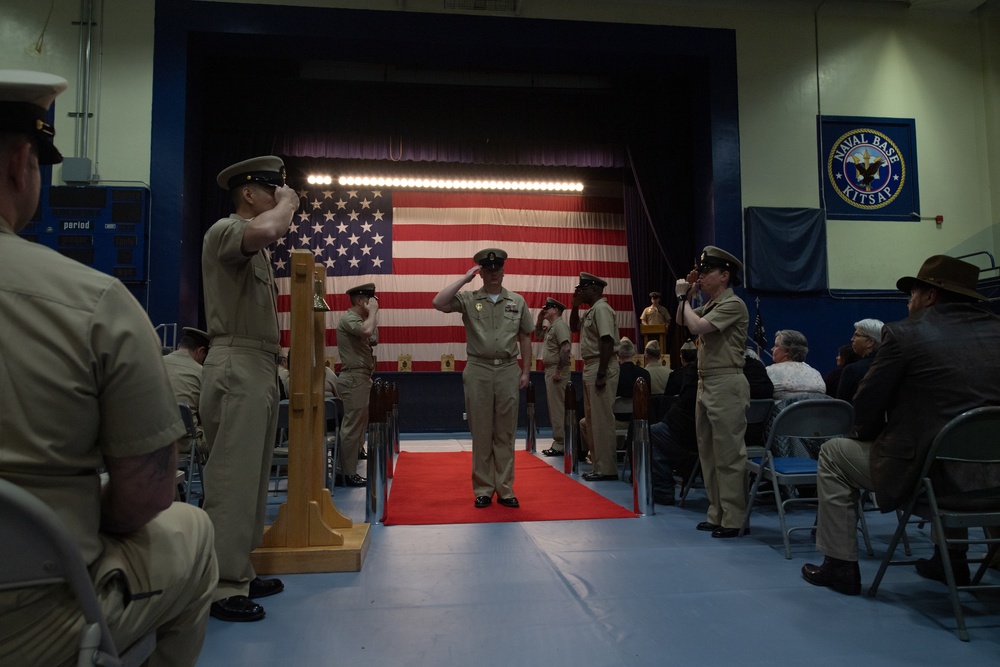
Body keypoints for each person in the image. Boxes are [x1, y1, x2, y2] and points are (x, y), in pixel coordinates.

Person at [0, 69, 217, 665]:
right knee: (191, 531)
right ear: (22, 163)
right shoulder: (94, 302)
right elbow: (146, 492)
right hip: (31, 615)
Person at [803, 255, 1000, 595]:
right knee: (953, 450)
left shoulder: (905, 335)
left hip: (928, 474)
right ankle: (950, 559)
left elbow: (866, 403)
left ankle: (839, 566)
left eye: (911, 293)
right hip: (994, 479)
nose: (909, 301)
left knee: (834, 454)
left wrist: (867, 435)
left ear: (931, 295)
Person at [200, 155, 297, 622]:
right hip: (236, 363)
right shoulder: (225, 231)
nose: (277, 197)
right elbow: (272, 229)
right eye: (270, 190)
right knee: (230, 480)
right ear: (248, 194)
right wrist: (291, 201)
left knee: (253, 477)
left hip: (257, 365)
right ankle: (219, 586)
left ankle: (240, 567)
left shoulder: (255, 252)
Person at [433, 248, 533, 508]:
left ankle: (506, 488)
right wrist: (464, 280)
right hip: (478, 369)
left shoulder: (517, 301)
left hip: (508, 369)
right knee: (481, 432)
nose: (493, 274)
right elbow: (439, 302)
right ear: (481, 273)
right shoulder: (468, 298)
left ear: (503, 271)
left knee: (505, 432)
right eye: (487, 270)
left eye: (497, 269)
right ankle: (484, 489)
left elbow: (525, 337)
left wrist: (526, 371)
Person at [675, 246, 750, 538]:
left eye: (708, 273)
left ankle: (734, 518)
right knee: (708, 451)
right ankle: (717, 512)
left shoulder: (734, 304)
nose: (702, 277)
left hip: (726, 382)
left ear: (725, 275)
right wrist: (690, 293)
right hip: (706, 381)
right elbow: (683, 319)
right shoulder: (714, 304)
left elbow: (696, 327)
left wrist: (684, 296)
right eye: (701, 273)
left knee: (729, 454)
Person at [571, 272, 620, 482]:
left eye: (583, 289)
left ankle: (607, 468)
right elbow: (574, 327)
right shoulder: (591, 311)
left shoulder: (601, 309)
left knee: (601, 420)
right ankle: (598, 464)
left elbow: (607, 341)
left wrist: (601, 373)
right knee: (592, 420)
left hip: (602, 365)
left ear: (594, 290)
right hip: (592, 365)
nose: (580, 292)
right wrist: (574, 305)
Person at [335, 282, 379, 487]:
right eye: (371, 300)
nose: (374, 303)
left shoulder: (361, 318)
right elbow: (368, 333)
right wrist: (373, 312)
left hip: (361, 377)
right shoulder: (350, 318)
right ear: (361, 300)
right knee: (351, 427)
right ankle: (346, 473)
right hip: (354, 379)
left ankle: (349, 465)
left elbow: (374, 339)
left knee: (358, 425)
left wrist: (371, 315)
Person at [650, 340, 699, 505]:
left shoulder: (687, 374)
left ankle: (663, 491)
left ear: (682, 356)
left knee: (654, 432)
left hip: (690, 434)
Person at [163, 326, 211, 457]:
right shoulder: (203, 373)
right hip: (183, 443)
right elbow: (209, 413)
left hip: (149, 440)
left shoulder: (155, 363)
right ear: (200, 351)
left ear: (179, 346)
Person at [536, 297, 572, 457]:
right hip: (551, 370)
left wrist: (559, 370)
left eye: (547, 309)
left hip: (558, 371)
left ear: (556, 310)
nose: (545, 311)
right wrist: (539, 319)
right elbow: (537, 334)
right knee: (555, 407)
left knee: (558, 408)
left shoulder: (560, 326)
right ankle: (560, 441)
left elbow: (565, 348)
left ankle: (561, 443)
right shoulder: (552, 327)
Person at [765, 329, 826, 399]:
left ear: (787, 350)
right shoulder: (816, 374)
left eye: (776, 346)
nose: (772, 349)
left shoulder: (769, 372)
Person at [835, 318, 884, 404]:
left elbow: (841, 407)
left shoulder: (852, 370)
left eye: (856, 335)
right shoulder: (892, 366)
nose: (852, 339)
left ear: (870, 342)